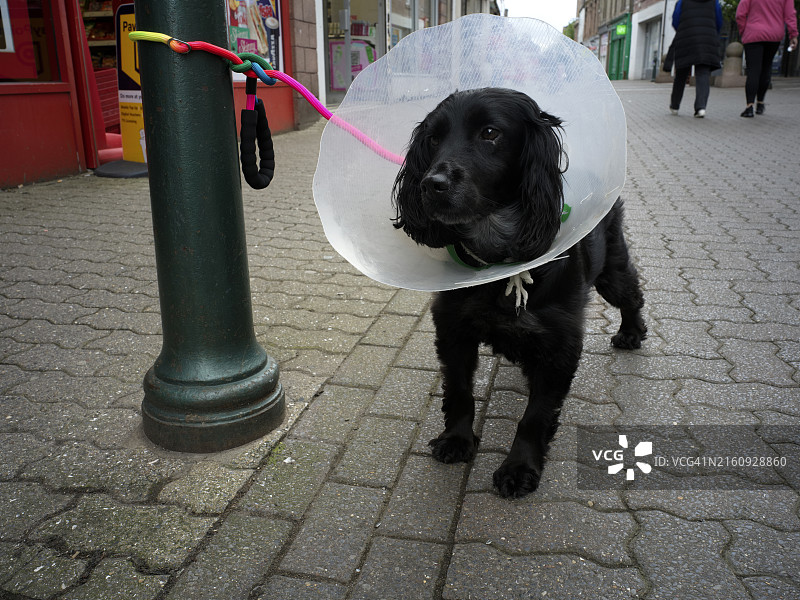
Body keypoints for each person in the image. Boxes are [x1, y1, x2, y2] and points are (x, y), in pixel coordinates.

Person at [736, 0, 798, 117]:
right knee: (766, 67)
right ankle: (760, 103)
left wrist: (743, 30)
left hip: (753, 33)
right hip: (774, 35)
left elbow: (740, 14)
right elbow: (790, 14)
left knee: (753, 70)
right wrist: (793, 34)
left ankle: (749, 107)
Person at [668, 0, 723, 118]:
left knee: (681, 74)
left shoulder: (682, 1)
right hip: (706, 39)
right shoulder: (714, 2)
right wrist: (711, 32)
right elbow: (718, 21)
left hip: (686, 38)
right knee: (703, 74)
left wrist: (684, 29)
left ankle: (675, 106)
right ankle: (701, 107)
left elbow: (676, 20)